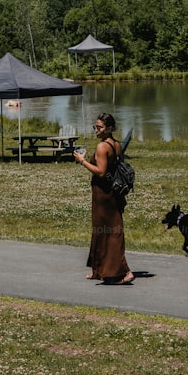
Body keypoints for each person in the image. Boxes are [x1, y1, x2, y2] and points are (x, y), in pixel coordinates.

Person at [73, 112, 134, 285]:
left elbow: (101, 172)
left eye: (99, 127)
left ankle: (124, 272)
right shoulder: (116, 144)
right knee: (102, 230)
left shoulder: (102, 147)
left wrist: (82, 161)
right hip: (112, 192)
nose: (96, 130)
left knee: (110, 232)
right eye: (95, 126)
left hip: (104, 194)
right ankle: (99, 270)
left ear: (109, 128)